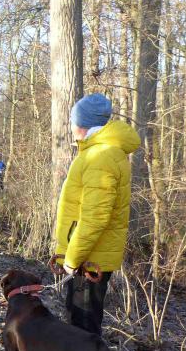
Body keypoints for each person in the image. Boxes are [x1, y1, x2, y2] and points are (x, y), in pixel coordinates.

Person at [55, 93, 139, 336]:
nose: (70, 126)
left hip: (89, 258)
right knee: (79, 322)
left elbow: (95, 217)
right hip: (89, 255)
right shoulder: (99, 152)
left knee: (83, 328)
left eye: (72, 121)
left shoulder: (100, 157)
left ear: (82, 124)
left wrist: (72, 258)